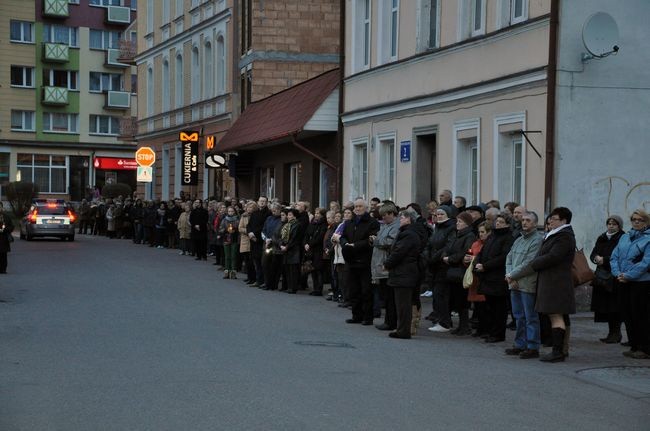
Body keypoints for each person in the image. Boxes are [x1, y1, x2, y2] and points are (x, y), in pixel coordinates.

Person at [523, 207, 576, 363]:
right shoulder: (556, 235)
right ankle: (562, 349)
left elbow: (554, 256)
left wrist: (534, 263)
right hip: (552, 280)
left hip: (556, 281)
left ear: (564, 221)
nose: (550, 221)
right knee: (560, 315)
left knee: (555, 315)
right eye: (550, 218)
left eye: (554, 219)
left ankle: (557, 351)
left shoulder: (564, 236)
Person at [610, 209, 650, 359]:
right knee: (627, 315)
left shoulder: (648, 239)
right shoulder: (625, 238)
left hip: (641, 282)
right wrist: (617, 274)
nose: (637, 222)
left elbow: (646, 263)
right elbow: (614, 257)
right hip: (623, 281)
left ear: (646, 222)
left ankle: (644, 348)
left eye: (640, 220)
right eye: (634, 219)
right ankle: (634, 345)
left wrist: (628, 276)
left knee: (640, 316)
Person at [504, 211, 544, 358]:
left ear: (534, 223)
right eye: (523, 220)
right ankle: (520, 344)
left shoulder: (537, 240)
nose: (524, 222)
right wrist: (509, 276)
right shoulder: (519, 240)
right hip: (514, 283)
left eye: (528, 220)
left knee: (530, 317)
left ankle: (533, 346)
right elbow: (509, 258)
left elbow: (529, 263)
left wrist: (511, 275)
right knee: (518, 316)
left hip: (527, 284)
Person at [474, 213, 515, 342]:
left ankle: (498, 333)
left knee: (499, 308)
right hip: (487, 276)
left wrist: (485, 266)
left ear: (508, 224)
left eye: (501, 222)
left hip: (498, 277)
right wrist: (478, 262)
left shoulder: (508, 238)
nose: (498, 224)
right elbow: (482, 251)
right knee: (490, 306)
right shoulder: (493, 236)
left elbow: (503, 257)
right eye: (497, 221)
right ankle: (490, 331)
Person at [383, 208, 423, 339]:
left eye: (402, 217)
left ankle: (403, 330)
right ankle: (401, 328)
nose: (400, 219)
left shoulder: (409, 234)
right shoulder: (408, 232)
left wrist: (387, 263)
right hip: (404, 272)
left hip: (404, 272)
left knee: (403, 304)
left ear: (409, 219)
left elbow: (398, 252)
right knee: (401, 304)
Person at [340, 199, 380, 325]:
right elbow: (343, 236)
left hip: (365, 261)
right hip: (351, 260)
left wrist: (355, 245)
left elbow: (371, 239)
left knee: (366, 291)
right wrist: (345, 244)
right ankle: (356, 315)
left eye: (360, 206)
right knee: (354, 290)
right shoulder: (349, 222)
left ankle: (367, 317)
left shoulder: (372, 222)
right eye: (356, 207)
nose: (357, 208)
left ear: (366, 208)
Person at [590, 215, 625, 344]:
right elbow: (593, 253)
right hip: (602, 277)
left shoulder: (623, 238)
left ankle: (616, 333)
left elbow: (622, 255)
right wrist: (595, 258)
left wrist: (604, 259)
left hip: (614, 277)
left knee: (615, 307)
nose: (611, 226)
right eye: (609, 223)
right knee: (605, 307)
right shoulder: (602, 237)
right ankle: (611, 333)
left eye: (614, 224)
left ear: (619, 226)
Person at [440, 211, 477, 335]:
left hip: (460, 271)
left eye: (460, 222)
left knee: (462, 300)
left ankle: (464, 325)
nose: (457, 224)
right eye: (457, 221)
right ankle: (461, 325)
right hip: (453, 271)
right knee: (456, 299)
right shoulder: (458, 235)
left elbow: (464, 252)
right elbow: (448, 248)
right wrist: (445, 255)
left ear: (467, 223)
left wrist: (450, 259)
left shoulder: (469, 236)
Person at [425, 205, 457, 331]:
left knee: (441, 295)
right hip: (434, 265)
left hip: (443, 265)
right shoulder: (437, 228)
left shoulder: (451, 228)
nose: (439, 216)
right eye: (437, 214)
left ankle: (445, 322)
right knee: (437, 295)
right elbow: (430, 243)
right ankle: (441, 319)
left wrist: (434, 257)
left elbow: (448, 246)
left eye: (441, 214)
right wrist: (428, 255)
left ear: (448, 215)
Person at [371, 203, 400, 331]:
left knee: (390, 298)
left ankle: (391, 322)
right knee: (386, 297)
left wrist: (375, 240)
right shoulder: (385, 225)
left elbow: (390, 242)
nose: (383, 218)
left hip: (386, 265)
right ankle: (388, 320)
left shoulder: (396, 226)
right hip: (380, 263)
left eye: (385, 215)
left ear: (391, 214)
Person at [465, 221, 490, 338]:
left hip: (484, 277)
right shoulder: (475, 244)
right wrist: (466, 259)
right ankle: (480, 328)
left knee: (485, 306)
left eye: (483, 232)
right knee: (477, 306)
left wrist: (473, 259)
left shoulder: (489, 244)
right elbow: (469, 254)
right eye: (479, 232)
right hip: (474, 277)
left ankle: (485, 328)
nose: (480, 234)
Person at [303, 208, 328, 296]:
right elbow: (306, 234)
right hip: (311, 250)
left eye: (318, 213)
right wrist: (305, 243)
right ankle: (315, 288)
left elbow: (320, 237)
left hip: (318, 250)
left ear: (322, 215)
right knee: (312, 269)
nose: (316, 215)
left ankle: (319, 289)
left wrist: (309, 244)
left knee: (318, 270)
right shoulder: (312, 223)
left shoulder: (324, 225)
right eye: (315, 213)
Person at [247, 196, 270, 287]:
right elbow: (249, 224)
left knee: (262, 262)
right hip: (252, 239)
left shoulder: (268, 213)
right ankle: (257, 280)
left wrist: (254, 233)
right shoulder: (254, 213)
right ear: (257, 202)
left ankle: (262, 281)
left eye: (264, 201)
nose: (262, 203)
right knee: (255, 261)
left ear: (267, 203)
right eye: (260, 201)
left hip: (261, 240)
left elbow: (263, 226)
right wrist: (249, 233)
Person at [261, 203, 283, 289]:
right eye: (272, 210)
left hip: (275, 246)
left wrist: (272, 240)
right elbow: (263, 230)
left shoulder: (281, 220)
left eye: (275, 210)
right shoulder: (269, 218)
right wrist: (266, 239)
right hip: (267, 244)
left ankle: (274, 284)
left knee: (274, 266)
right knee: (265, 264)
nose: (273, 212)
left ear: (279, 210)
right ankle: (267, 283)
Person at [280, 209, 302, 294]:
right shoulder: (287, 225)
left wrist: (287, 246)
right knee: (288, 269)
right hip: (287, 249)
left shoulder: (297, 225)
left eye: (290, 215)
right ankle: (289, 286)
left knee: (293, 269)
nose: (288, 217)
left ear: (294, 216)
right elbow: (282, 236)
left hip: (294, 249)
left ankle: (293, 287)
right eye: (288, 215)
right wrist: (281, 245)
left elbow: (294, 238)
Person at [219, 206, 240, 279]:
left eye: (232, 211)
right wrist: (225, 230)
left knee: (233, 256)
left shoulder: (237, 219)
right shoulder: (224, 220)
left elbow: (239, 229)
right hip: (226, 239)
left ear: (234, 212)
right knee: (227, 256)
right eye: (229, 211)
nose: (230, 213)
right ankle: (227, 271)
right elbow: (220, 229)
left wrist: (235, 230)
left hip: (234, 239)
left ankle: (233, 272)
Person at [239, 202, 255, 284]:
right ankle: (249, 277)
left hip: (253, 239)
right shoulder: (244, 216)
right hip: (245, 239)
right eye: (248, 207)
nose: (249, 209)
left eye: (251, 207)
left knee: (252, 261)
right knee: (247, 260)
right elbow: (240, 228)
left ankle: (253, 278)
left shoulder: (255, 216)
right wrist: (248, 231)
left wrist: (252, 232)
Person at [0, 206, 14, 274]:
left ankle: (3, 269)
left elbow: (11, 226)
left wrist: (5, 229)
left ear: (2, 208)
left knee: (3, 255)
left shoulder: (6, 217)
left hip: (3, 238)